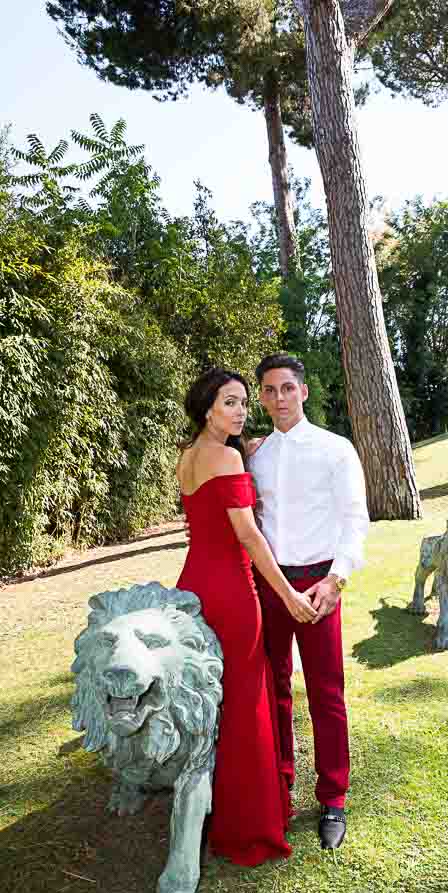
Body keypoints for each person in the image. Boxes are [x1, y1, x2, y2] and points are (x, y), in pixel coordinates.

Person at [176, 367, 317, 867]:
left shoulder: (189, 457)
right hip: (233, 593)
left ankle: (208, 811)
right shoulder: (227, 455)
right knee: (243, 705)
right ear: (207, 407)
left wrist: (245, 456)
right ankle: (249, 827)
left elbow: (210, 517)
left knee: (212, 708)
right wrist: (289, 596)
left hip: (193, 588)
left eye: (242, 403)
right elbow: (250, 538)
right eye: (230, 403)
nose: (241, 411)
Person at [248, 353, 369, 850]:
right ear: (261, 397)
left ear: (303, 392)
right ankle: (279, 784)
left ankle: (333, 796)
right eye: (270, 390)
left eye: (287, 388)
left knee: (326, 692)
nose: (279, 398)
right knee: (272, 688)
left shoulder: (336, 449)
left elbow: (355, 519)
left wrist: (335, 581)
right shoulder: (255, 455)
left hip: (320, 584)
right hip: (270, 585)